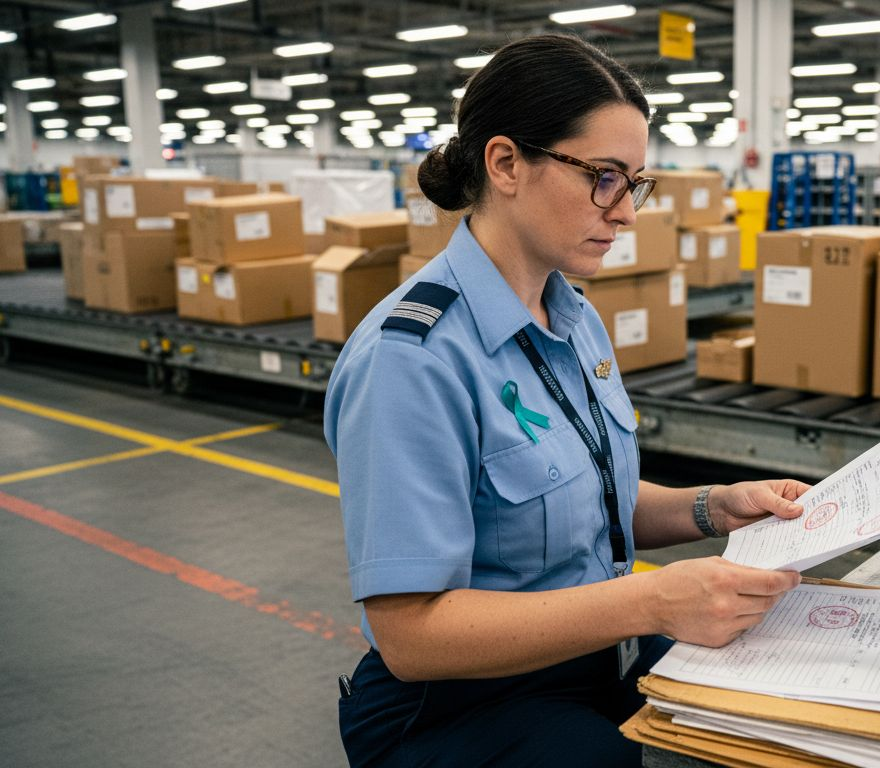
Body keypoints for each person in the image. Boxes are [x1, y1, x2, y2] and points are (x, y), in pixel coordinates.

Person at [324, 34, 810, 767]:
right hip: (458, 704)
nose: (625, 213)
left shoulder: (572, 318)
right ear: (506, 163)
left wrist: (714, 504)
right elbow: (411, 635)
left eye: (636, 183)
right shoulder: (413, 361)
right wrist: (651, 602)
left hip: (587, 657)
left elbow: (585, 497)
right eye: (604, 176)